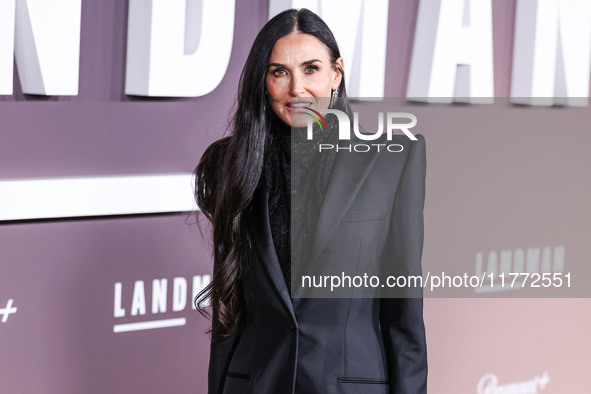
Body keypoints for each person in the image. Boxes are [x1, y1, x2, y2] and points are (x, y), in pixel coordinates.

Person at [194, 8, 427, 394]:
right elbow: (229, 309)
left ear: (335, 73)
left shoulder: (391, 159)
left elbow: (403, 313)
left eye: (311, 68)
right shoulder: (230, 164)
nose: (297, 88)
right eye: (279, 72)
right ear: (263, 81)